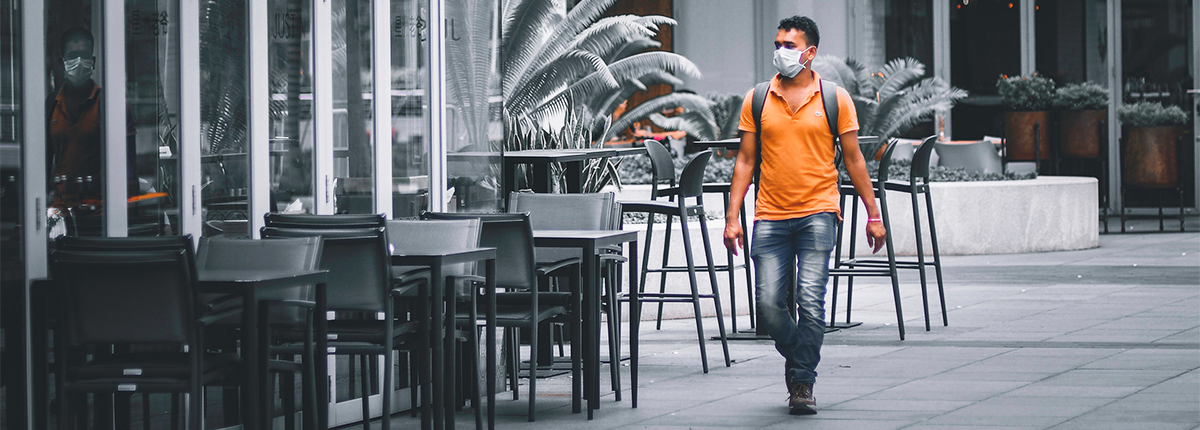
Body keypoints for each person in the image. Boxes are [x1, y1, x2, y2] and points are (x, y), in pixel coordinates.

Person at [722, 16, 887, 415]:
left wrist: (874, 213)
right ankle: (802, 358)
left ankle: (801, 382)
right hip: (770, 216)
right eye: (778, 42)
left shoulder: (834, 98)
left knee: (811, 303)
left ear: (810, 53)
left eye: (790, 45)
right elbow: (745, 160)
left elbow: (854, 160)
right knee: (767, 306)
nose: (781, 51)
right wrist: (732, 217)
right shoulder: (758, 98)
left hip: (819, 212)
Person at [46, 27, 137, 222]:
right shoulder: (51, 104)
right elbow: (43, 163)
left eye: (84, 55)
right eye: (73, 56)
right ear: (62, 63)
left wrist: (131, 216)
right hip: (62, 214)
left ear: (93, 62)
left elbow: (128, 167)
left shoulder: (111, 104)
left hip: (102, 215)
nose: (79, 62)